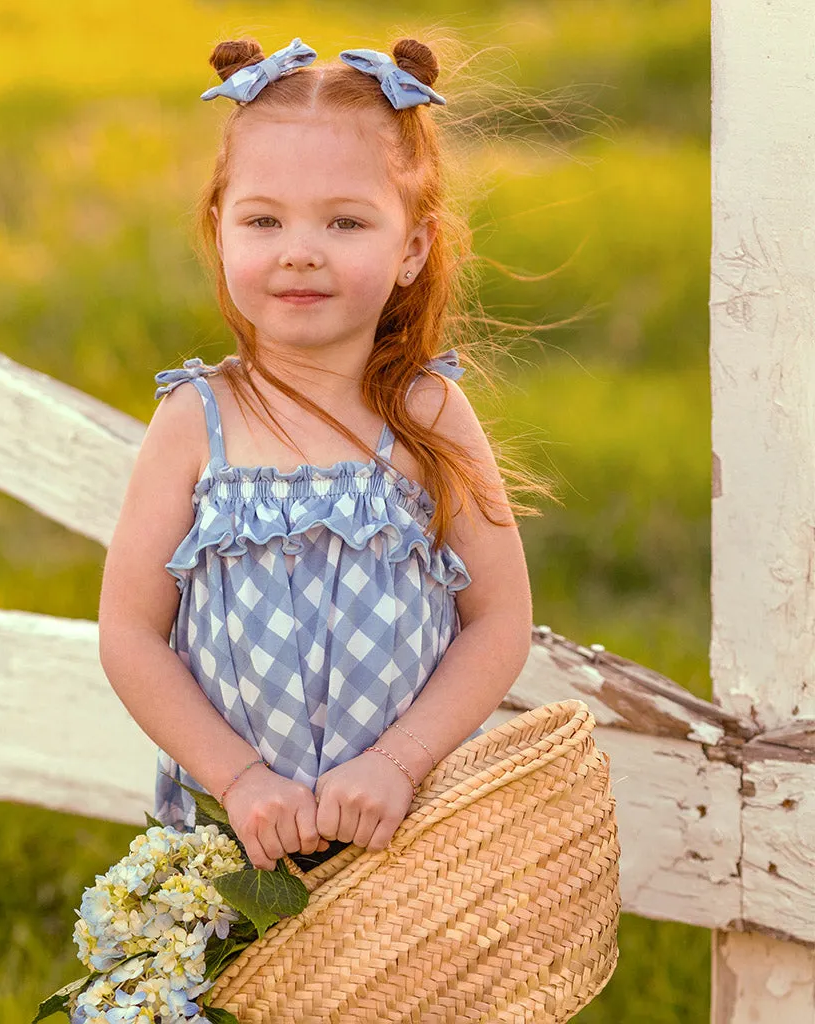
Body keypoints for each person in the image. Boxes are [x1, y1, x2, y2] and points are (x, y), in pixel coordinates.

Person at [98, 35, 534, 873]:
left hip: (409, 822)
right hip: (245, 837)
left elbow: (500, 622)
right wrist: (240, 778)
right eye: (265, 220)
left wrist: (398, 764)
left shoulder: (427, 413)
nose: (300, 249)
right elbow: (129, 633)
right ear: (219, 229)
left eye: (345, 221)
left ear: (411, 248)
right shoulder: (196, 421)